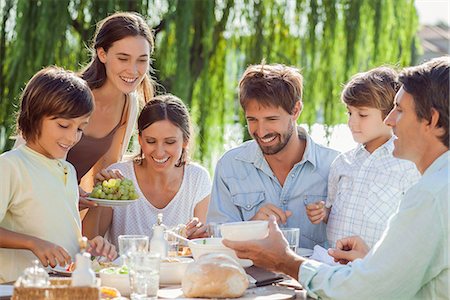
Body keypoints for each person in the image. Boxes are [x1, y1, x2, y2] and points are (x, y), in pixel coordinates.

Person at [224, 56, 449, 299]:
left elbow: (365, 291)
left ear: (432, 120)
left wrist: (286, 261)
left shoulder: (432, 194)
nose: (389, 119)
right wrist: (373, 261)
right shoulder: (437, 186)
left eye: (400, 110)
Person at [0, 67, 117, 283]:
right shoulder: (10, 166)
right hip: (19, 289)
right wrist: (33, 243)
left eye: (80, 128)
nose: (72, 137)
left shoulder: (68, 171)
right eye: (64, 125)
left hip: (62, 287)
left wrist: (88, 250)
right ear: (35, 116)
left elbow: (64, 237)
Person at [207, 63, 339, 249]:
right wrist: (251, 227)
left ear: (295, 110)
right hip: (250, 277)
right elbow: (216, 240)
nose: (261, 132)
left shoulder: (334, 166)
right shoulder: (229, 166)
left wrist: (327, 215)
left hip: (313, 276)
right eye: (252, 120)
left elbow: (350, 236)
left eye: (271, 119)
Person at [305, 67, 420, 248]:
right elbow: (334, 211)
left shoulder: (408, 166)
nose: (352, 122)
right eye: (350, 113)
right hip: (335, 264)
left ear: (391, 113)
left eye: (362, 114)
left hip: (377, 268)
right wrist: (324, 213)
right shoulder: (342, 163)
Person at [82, 94, 211, 248]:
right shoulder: (118, 177)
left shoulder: (197, 179)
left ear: (185, 141)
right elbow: (88, 242)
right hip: (124, 271)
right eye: (151, 141)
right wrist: (98, 199)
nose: (159, 152)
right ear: (140, 140)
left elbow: (203, 247)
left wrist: (197, 235)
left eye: (169, 142)